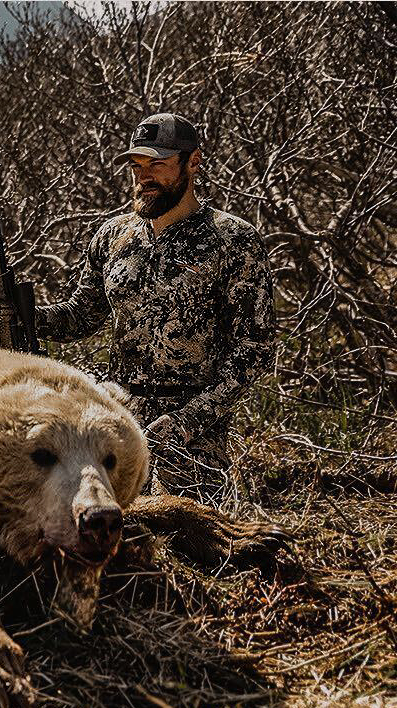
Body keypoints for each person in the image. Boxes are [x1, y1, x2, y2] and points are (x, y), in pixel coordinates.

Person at [36, 113, 276, 501]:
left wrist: (187, 422)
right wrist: (26, 313)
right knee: (113, 540)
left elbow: (255, 353)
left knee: (192, 545)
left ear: (192, 162)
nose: (143, 177)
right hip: (118, 424)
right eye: (137, 166)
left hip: (193, 438)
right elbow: (81, 316)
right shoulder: (112, 236)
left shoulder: (234, 240)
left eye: (157, 165)